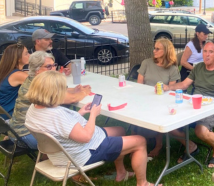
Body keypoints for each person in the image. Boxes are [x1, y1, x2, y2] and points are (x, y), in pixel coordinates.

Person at [24, 71, 159, 186]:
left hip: (62, 153)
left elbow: (61, 127)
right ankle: (143, 183)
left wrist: (81, 112)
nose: (65, 91)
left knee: (120, 130)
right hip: (83, 153)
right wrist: (93, 115)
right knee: (140, 141)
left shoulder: (33, 109)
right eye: (63, 88)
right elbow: (86, 137)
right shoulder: (56, 114)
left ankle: (121, 173)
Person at [159, 40, 214, 169]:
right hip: (193, 104)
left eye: (211, 52)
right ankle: (191, 147)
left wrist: (207, 105)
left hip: (213, 107)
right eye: (205, 51)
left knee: (201, 131)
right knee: (168, 125)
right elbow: (184, 85)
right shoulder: (198, 67)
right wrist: (168, 87)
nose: (207, 55)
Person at [9, 52, 91, 149]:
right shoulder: (40, 86)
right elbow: (71, 99)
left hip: (18, 131)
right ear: (37, 70)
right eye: (49, 66)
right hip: (25, 136)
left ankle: (48, 159)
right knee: (73, 138)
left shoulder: (34, 80)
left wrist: (73, 90)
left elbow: (56, 92)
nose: (53, 69)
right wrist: (84, 92)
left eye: (54, 65)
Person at [136, 39, 180, 157]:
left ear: (166, 51)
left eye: (157, 49)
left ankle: (158, 145)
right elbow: (139, 84)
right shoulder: (146, 62)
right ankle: (137, 143)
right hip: (144, 97)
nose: (154, 51)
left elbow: (171, 88)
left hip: (162, 99)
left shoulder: (172, 68)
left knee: (160, 114)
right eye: (154, 48)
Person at [0, 43, 30, 118]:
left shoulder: (5, 71)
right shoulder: (18, 75)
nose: (30, 55)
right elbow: (41, 86)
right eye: (26, 53)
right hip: (8, 117)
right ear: (18, 58)